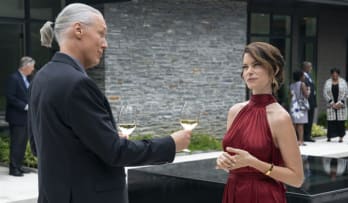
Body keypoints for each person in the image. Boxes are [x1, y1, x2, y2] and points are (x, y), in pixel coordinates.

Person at [28, 3, 191, 203]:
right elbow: (116, 152)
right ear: (78, 30)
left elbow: (39, 146)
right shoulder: (77, 84)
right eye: (101, 34)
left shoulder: (42, 77)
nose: (105, 44)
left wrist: (101, 137)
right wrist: (171, 144)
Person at [216, 42, 304, 203]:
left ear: (274, 70)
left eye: (256, 65)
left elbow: (297, 179)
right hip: (234, 193)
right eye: (245, 67)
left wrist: (254, 163)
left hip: (264, 196)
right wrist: (223, 160)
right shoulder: (234, 111)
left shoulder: (280, 118)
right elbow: (234, 162)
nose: (249, 71)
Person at [5, 56, 35, 176]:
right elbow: (10, 97)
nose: (33, 69)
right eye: (32, 66)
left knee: (22, 143)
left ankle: (19, 166)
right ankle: (14, 168)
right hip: (17, 117)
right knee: (17, 143)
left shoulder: (26, 79)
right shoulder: (14, 78)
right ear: (26, 66)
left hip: (25, 118)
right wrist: (25, 106)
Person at [323, 68, 348, 142]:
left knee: (340, 122)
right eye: (333, 74)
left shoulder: (343, 82)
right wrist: (332, 103)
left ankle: (341, 137)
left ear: (338, 74)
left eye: (336, 74)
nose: (335, 76)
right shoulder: (327, 82)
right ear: (331, 75)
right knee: (331, 121)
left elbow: (346, 93)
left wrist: (340, 103)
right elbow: (325, 93)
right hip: (331, 105)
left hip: (341, 105)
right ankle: (329, 136)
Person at [289, 70, 309, 146]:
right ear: (300, 77)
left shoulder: (291, 85)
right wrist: (309, 91)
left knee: (294, 124)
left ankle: (293, 140)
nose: (304, 77)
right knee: (300, 124)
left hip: (293, 105)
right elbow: (306, 95)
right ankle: (300, 140)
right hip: (300, 106)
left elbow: (290, 95)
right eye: (303, 76)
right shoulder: (302, 84)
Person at [302, 61, 317, 142]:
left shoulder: (309, 76)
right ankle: (305, 136)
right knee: (306, 119)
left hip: (311, 101)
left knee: (310, 118)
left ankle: (308, 135)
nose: (311, 68)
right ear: (306, 67)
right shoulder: (303, 77)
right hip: (306, 101)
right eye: (310, 67)